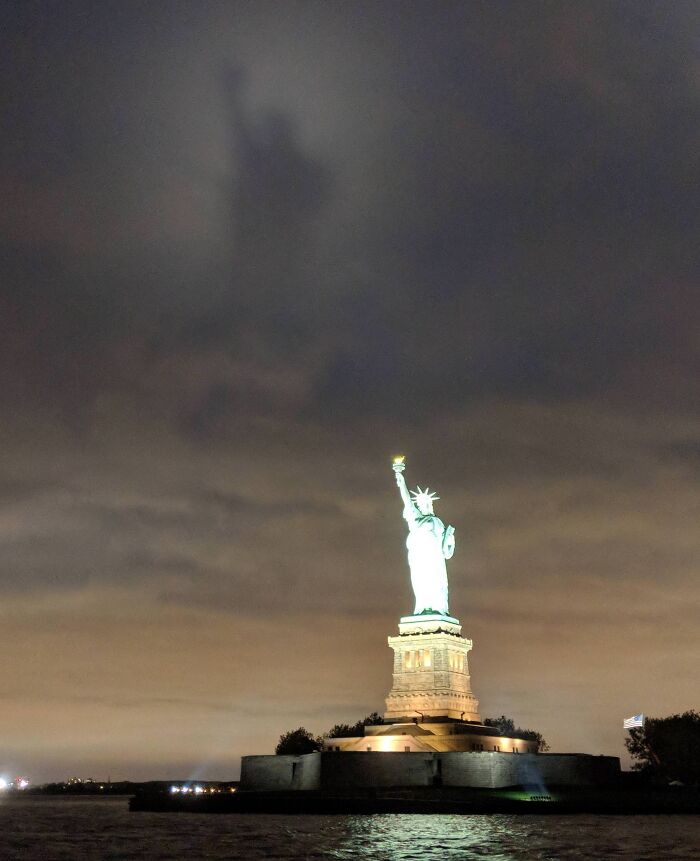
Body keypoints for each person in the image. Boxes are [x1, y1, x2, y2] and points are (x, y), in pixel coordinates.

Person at [392, 459, 454, 615]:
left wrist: (450, 540)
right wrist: (401, 479)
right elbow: (407, 501)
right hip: (419, 558)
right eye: (420, 504)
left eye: (426, 504)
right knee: (420, 583)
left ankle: (438, 609)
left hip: (434, 559)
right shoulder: (415, 519)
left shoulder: (437, 522)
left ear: (430, 505)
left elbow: (446, 550)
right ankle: (423, 608)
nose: (423, 506)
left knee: (436, 582)